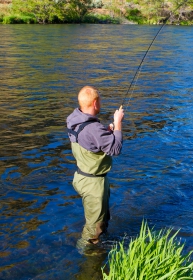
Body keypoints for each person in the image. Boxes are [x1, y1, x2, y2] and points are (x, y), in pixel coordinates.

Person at [66, 85, 124, 247]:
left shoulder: (73, 120)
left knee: (101, 219)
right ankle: (86, 256)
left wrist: (106, 132)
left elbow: (90, 140)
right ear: (95, 103)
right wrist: (118, 123)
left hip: (81, 177)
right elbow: (115, 149)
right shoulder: (93, 128)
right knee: (93, 229)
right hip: (93, 184)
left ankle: (100, 247)